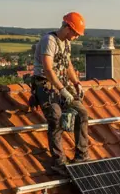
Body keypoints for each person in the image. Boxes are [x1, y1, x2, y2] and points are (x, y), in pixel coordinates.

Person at [32, 12, 89, 174]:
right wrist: (62, 90)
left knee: (82, 113)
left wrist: (76, 82)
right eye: (75, 34)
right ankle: (58, 161)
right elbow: (48, 69)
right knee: (55, 117)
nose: (76, 37)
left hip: (61, 83)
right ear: (67, 28)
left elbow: (67, 64)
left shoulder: (66, 43)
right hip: (45, 84)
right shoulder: (49, 41)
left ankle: (82, 155)